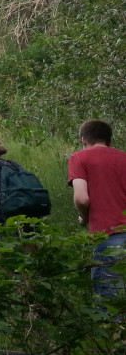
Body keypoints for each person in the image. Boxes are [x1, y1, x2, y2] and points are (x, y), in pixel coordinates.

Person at [68, 119, 126, 304]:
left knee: (110, 303)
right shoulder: (123, 157)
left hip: (109, 234)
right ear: (110, 140)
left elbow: (81, 198)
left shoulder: (79, 158)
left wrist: (84, 217)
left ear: (84, 140)